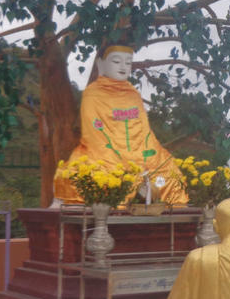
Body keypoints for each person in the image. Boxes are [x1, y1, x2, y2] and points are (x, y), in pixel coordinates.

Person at [54, 45, 187, 205]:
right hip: (103, 154)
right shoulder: (93, 93)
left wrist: (145, 158)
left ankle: (156, 202)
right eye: (117, 61)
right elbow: (94, 134)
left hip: (139, 154)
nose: (123, 67)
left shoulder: (133, 95)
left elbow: (144, 131)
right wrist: (121, 160)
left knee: (170, 176)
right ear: (100, 65)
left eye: (128, 63)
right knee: (88, 178)